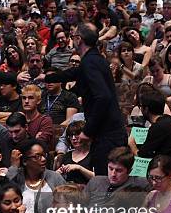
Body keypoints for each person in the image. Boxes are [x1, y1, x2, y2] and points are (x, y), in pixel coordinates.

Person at [42, 24, 127, 175]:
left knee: (104, 178)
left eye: (73, 37)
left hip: (106, 133)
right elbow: (74, 73)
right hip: (110, 131)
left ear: (78, 39)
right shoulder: (94, 59)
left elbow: (103, 97)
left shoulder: (90, 62)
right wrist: (47, 77)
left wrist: (88, 130)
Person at [6, 139, 66, 213]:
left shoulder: (55, 177)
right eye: (37, 156)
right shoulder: (16, 178)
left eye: (44, 155)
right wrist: (13, 167)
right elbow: (2, 194)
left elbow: (68, 204)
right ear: (25, 161)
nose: (43, 159)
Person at [136, 90, 171, 160]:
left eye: (141, 106)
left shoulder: (158, 127)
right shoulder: (168, 119)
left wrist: (132, 144)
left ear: (146, 109)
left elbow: (142, 155)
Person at [56, 120, 94, 186]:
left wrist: (79, 168)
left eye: (77, 134)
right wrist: (58, 173)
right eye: (71, 135)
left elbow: (97, 179)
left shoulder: (94, 155)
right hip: (68, 191)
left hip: (88, 192)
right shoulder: (66, 156)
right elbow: (60, 178)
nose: (73, 138)